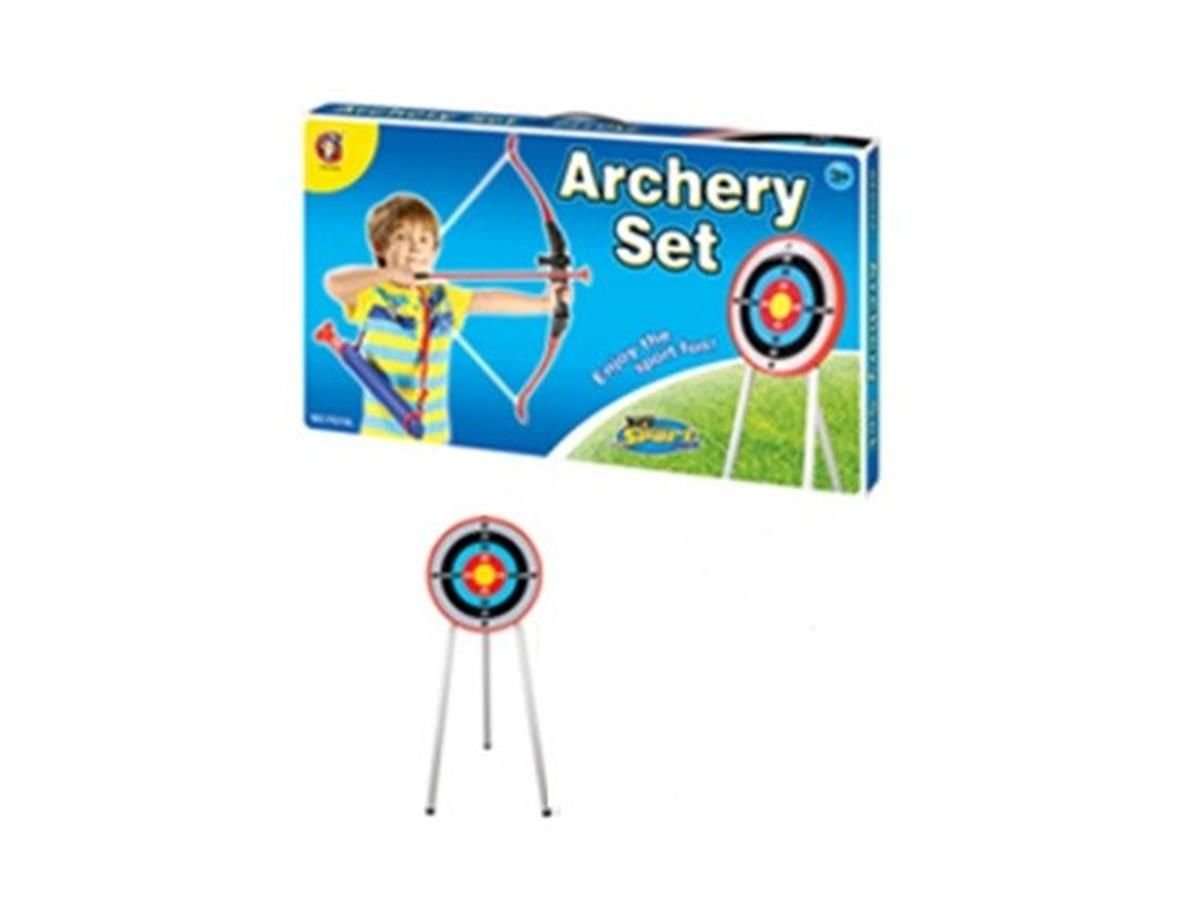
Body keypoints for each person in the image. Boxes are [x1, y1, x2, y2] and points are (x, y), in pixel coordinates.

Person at [323, 194, 570, 442]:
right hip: (380, 437)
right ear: (379, 247)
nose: (415, 247)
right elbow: (333, 283)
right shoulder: (373, 295)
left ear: (435, 250)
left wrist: (545, 303)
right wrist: (388, 274)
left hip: (435, 436)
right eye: (401, 237)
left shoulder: (442, 296)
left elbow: (487, 300)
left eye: (424, 239)